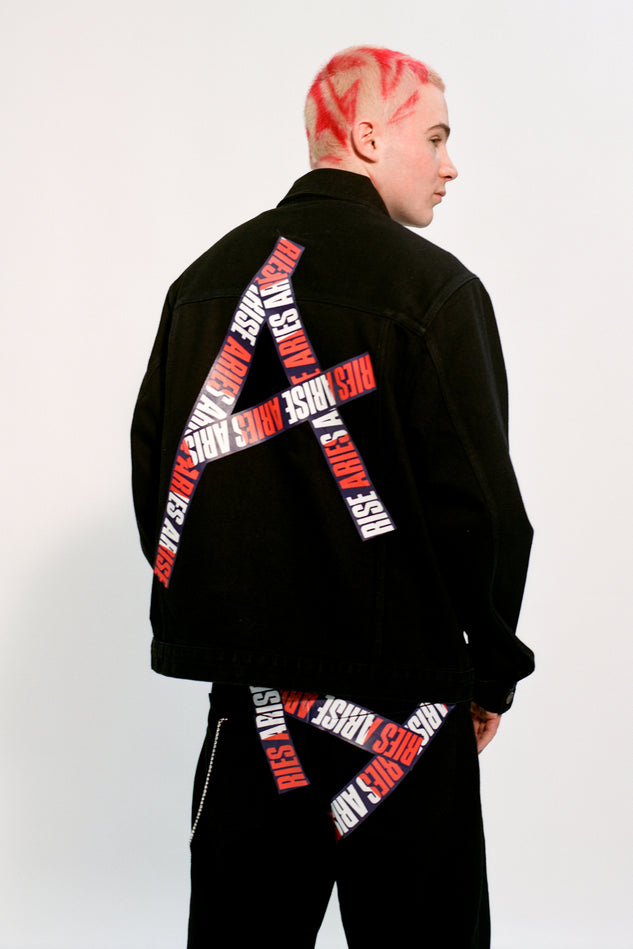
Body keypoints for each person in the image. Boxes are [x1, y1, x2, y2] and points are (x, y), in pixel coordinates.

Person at [131, 46, 534, 948]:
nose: (449, 165)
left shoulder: (203, 285)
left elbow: (163, 478)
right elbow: (480, 509)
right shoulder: (431, 289)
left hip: (254, 711)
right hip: (403, 706)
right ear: (366, 136)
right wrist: (491, 667)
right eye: (435, 137)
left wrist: (221, 615)